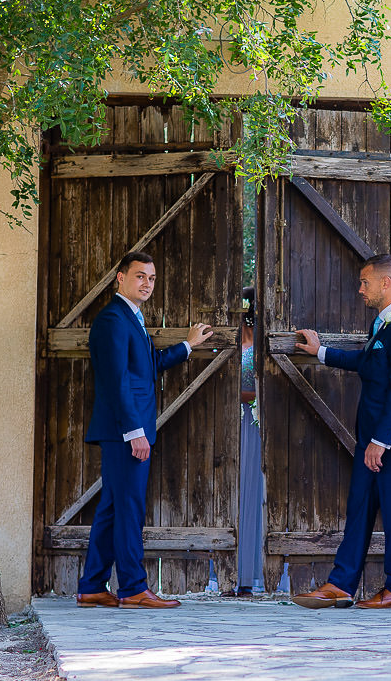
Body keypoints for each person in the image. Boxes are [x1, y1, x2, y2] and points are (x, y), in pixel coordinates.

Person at [290, 254, 391, 610]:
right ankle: (341, 584)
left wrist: (380, 441)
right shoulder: (382, 326)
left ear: (386, 283)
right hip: (374, 439)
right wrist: (320, 351)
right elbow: (366, 362)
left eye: (365, 282)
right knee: (360, 508)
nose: (360, 289)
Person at [76, 251, 212, 610]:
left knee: (112, 508)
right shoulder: (112, 320)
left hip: (129, 429)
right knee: (129, 508)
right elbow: (116, 380)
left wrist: (187, 345)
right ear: (119, 278)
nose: (147, 284)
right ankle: (134, 587)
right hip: (125, 431)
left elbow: (148, 366)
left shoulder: (133, 318)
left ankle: (91, 585)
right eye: (140, 276)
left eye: (151, 278)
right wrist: (134, 431)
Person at [230, 286, 264, 596]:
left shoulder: (265, 338)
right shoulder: (232, 338)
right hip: (237, 421)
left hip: (258, 421)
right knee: (235, 494)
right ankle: (235, 574)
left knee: (258, 497)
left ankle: (255, 575)